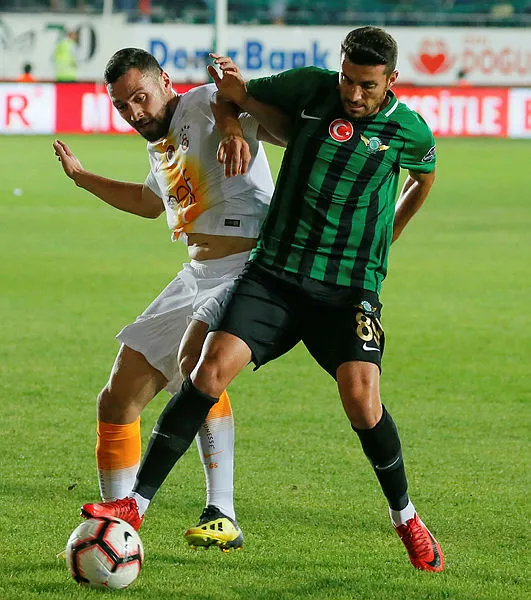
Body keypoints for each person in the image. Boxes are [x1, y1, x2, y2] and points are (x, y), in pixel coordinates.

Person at [81, 26, 445, 572]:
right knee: (206, 369)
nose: (352, 94)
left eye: (366, 85)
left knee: (362, 398)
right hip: (275, 271)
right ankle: (135, 505)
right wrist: (234, 102)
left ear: (391, 80)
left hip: (347, 285)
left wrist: (388, 235)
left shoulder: (408, 130)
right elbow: (235, 95)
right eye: (347, 79)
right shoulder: (310, 88)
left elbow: (424, 175)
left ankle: (406, 518)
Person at [54, 47, 285, 550]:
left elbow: (253, 113)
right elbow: (147, 202)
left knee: (197, 364)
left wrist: (233, 116)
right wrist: (82, 178)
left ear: (164, 80)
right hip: (197, 274)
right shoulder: (160, 142)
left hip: (247, 267)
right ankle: (116, 527)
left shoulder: (206, 102)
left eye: (140, 97)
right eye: (122, 105)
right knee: (117, 397)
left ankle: (222, 512)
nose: (134, 112)